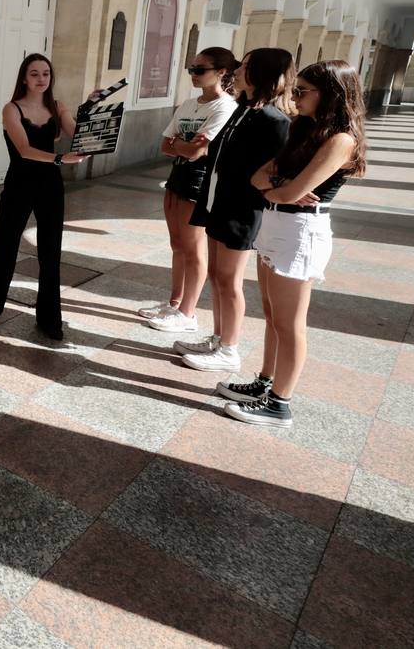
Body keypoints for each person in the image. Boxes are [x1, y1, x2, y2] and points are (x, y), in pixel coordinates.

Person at [217, 60, 367, 427]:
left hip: (302, 232)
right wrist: (279, 186)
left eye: (302, 92)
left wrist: (280, 186)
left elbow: (291, 191)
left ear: (331, 94)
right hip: (275, 222)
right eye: (294, 89)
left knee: (290, 322)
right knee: (271, 315)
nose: (294, 98)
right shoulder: (304, 128)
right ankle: (265, 383)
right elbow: (258, 179)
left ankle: (280, 402)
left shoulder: (341, 139)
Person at [174, 47, 293, 373]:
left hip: (242, 208)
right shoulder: (243, 109)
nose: (236, 70)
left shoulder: (273, 119)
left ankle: (230, 348)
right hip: (217, 200)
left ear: (261, 74)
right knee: (216, 275)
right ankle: (217, 337)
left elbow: (275, 169)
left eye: (245, 66)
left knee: (229, 279)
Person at [0, 54, 91, 340]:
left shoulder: (58, 107)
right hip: (19, 184)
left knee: (51, 252)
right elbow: (25, 150)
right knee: (6, 247)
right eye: (35, 73)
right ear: (24, 78)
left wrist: (90, 110)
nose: (41, 79)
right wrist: (60, 158)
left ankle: (50, 320)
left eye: (46, 74)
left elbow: (78, 135)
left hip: (51, 186)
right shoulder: (11, 109)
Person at [138, 48, 239, 333]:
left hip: (200, 177)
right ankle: (174, 302)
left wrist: (183, 146)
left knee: (194, 247)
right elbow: (164, 145)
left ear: (221, 72)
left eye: (200, 69)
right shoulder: (188, 104)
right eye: (191, 69)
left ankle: (188, 312)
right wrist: (186, 146)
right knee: (177, 243)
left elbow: (198, 151)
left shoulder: (224, 107)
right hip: (178, 173)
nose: (194, 75)